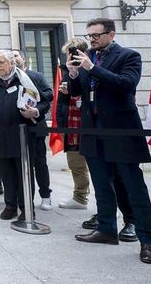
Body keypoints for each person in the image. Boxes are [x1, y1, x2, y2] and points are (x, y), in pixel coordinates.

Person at [68, 17, 151, 264]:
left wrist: (91, 68)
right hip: (93, 131)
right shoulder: (90, 58)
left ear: (111, 34)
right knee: (102, 185)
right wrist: (75, 73)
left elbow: (126, 84)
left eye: (96, 35)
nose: (92, 40)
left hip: (120, 130)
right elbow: (78, 92)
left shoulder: (128, 56)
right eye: (89, 36)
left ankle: (147, 240)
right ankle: (106, 229)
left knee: (133, 187)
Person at [0, 50, 51, 222]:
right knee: (6, 173)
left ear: (11, 63)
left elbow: (44, 102)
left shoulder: (26, 80)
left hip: (23, 134)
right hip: (0, 135)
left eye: (1, 62)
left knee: (23, 173)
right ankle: (10, 205)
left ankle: (26, 208)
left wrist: (36, 111)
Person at [13, 49, 54, 211]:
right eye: (12, 56)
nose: (14, 58)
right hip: (15, 131)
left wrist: (35, 109)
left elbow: (49, 95)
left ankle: (46, 196)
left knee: (40, 163)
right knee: (21, 166)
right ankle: (23, 198)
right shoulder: (8, 80)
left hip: (35, 127)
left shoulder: (36, 76)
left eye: (16, 55)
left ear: (22, 58)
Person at [56, 38, 90, 211]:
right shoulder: (65, 70)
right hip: (70, 120)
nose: (71, 56)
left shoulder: (92, 67)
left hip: (89, 121)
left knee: (96, 164)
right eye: (69, 53)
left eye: (74, 52)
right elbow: (61, 101)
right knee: (75, 163)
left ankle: (104, 204)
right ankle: (80, 197)